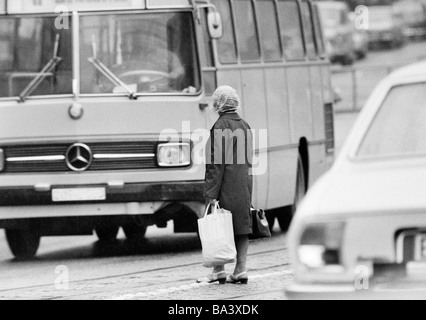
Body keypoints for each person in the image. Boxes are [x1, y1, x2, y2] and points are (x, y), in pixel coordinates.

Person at [197, 86, 253, 285]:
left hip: (225, 185)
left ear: (218, 103)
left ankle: (218, 269)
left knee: (219, 225)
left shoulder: (220, 126)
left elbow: (216, 164)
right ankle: (240, 269)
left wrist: (210, 193)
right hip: (243, 183)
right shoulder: (244, 125)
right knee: (242, 225)